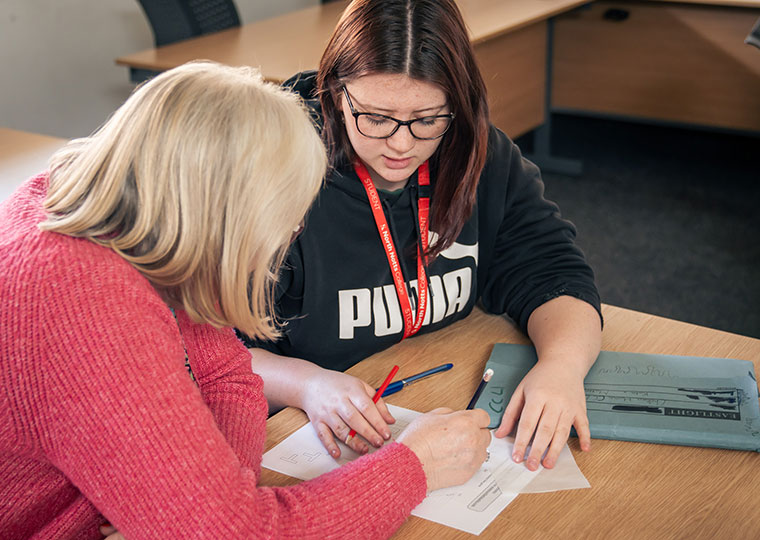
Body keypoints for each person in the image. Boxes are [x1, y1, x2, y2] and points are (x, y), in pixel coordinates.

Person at [0, 61, 491, 540]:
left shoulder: (140, 216)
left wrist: (201, 509)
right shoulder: (85, 305)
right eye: (286, 219)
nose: (290, 235)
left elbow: (227, 375)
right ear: (223, 216)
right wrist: (415, 466)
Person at [239, 0, 603, 472]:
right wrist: (305, 383)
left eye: (428, 118)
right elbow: (196, 344)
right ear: (334, 92)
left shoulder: (478, 153)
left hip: (435, 385)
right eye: (376, 117)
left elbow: (554, 273)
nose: (402, 144)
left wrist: (562, 367)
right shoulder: (274, 171)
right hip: (295, 429)